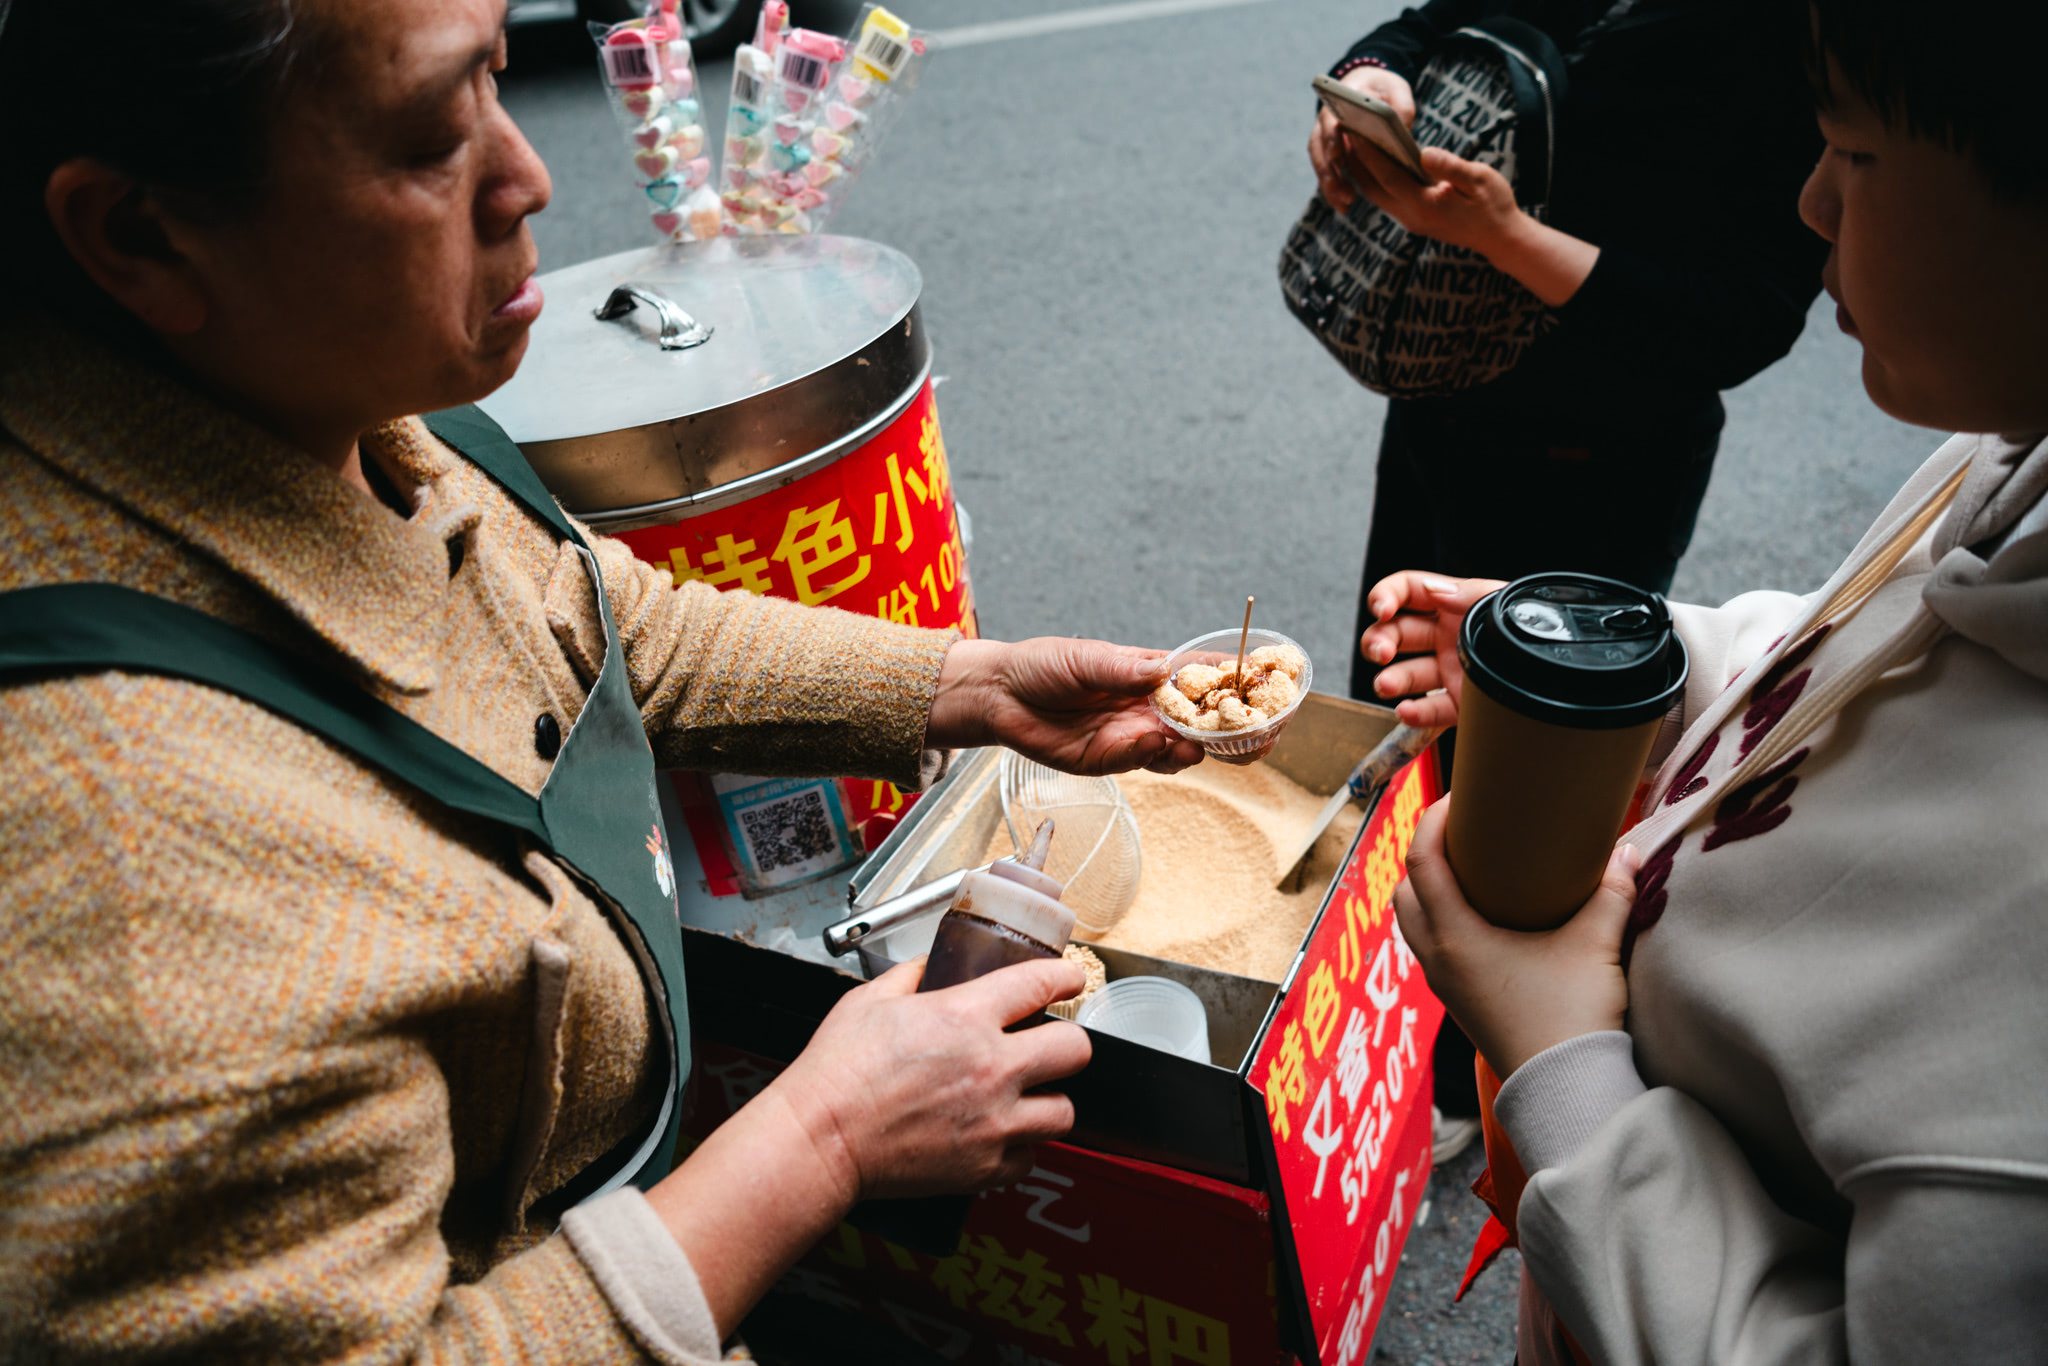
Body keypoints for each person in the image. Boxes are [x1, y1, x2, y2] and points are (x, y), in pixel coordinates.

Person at [0, 0, 1206, 1361]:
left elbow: (579, 611)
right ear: (140, 235)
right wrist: (819, 1138)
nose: (530, 177)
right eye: (430, 137)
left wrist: (969, 683)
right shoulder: (125, 871)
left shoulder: (297, 398)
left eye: (502, 83)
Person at [1365, 0, 2048, 1358]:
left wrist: (1558, 1058)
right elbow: (1864, 638)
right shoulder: (2006, 446)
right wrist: (1647, 652)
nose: (1812, 202)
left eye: (1852, 153)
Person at [1309, 0, 1828, 1155]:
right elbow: (1429, 24)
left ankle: (1475, 1082)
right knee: (1397, 726)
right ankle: (1379, 1033)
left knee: (1525, 800)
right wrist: (1372, 87)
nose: (1839, 206)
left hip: (1600, 462)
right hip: (1444, 407)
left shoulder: (1783, 36)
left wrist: (1504, 239)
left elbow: (1737, 318)